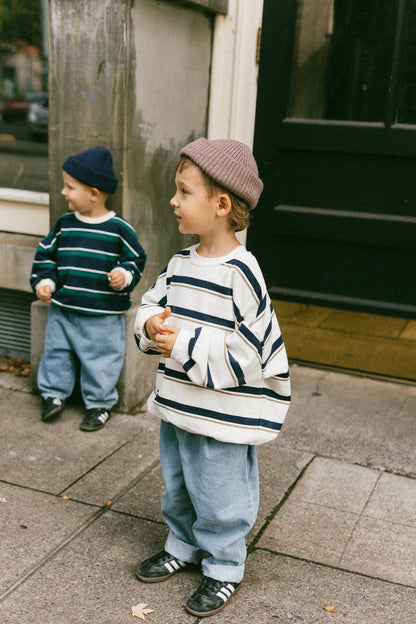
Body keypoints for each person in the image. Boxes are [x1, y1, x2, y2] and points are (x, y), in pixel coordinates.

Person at [133, 138, 291, 617]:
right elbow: (151, 304)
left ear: (222, 205)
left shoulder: (242, 274)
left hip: (222, 414)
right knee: (179, 482)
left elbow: (251, 352)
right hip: (181, 406)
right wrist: (150, 324)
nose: (173, 201)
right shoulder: (180, 265)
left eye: (183, 192)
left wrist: (181, 345)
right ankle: (181, 542)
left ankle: (224, 564)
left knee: (220, 490)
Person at [30, 146, 146, 431]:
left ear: (93, 193)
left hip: (103, 314)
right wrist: (45, 281)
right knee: (57, 353)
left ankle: (99, 404)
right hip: (64, 308)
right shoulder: (64, 225)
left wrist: (123, 274)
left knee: (102, 359)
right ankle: (53, 394)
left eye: (70, 187)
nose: (63, 192)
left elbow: (135, 259)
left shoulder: (119, 229)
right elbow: (45, 255)